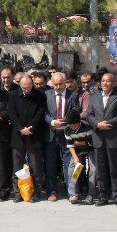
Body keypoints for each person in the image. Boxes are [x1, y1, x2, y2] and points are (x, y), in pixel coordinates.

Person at [87, 72, 117, 206]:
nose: (105, 83)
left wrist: (107, 124)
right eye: (103, 81)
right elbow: (89, 115)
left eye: (108, 81)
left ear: (114, 83)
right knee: (101, 168)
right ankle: (103, 195)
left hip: (112, 137)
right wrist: (97, 124)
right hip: (98, 137)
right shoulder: (94, 97)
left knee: (114, 169)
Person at [8, 74, 47, 202]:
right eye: (24, 88)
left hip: (33, 135)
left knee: (35, 167)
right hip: (18, 136)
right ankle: (17, 192)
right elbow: (12, 113)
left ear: (32, 85)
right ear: (19, 85)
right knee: (16, 167)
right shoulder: (13, 95)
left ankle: (36, 192)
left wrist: (31, 128)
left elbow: (40, 113)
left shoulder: (40, 95)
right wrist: (20, 129)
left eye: (29, 87)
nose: (26, 90)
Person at [44, 72, 72, 201]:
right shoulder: (47, 95)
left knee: (68, 164)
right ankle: (52, 192)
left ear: (65, 82)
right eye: (55, 84)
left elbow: (75, 110)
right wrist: (53, 122)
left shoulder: (72, 95)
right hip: (51, 134)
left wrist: (65, 121)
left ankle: (71, 191)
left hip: (67, 134)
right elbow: (44, 113)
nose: (58, 87)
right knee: (51, 164)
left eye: (61, 84)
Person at [64, 110, 94, 204]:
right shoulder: (67, 129)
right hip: (77, 151)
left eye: (75, 125)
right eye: (71, 126)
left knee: (94, 169)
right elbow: (70, 145)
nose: (73, 128)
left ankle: (91, 194)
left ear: (79, 122)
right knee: (72, 169)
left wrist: (83, 142)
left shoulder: (87, 127)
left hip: (90, 150)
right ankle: (74, 194)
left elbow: (92, 142)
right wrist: (76, 158)